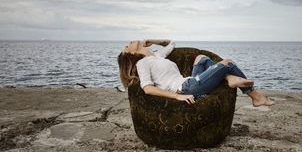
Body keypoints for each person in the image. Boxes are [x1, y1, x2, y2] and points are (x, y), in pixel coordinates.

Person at [117, 39, 274, 107]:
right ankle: (256, 98)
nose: (128, 43)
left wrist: (153, 41)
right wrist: (178, 96)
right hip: (185, 88)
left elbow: (171, 43)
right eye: (126, 46)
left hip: (190, 81)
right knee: (227, 62)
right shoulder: (142, 63)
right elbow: (147, 88)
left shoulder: (157, 56)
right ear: (130, 54)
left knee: (201, 58)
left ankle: (228, 78)